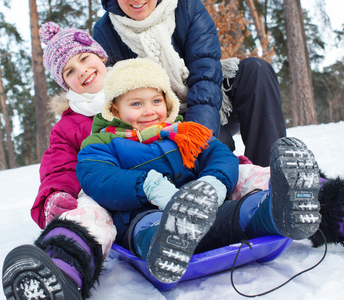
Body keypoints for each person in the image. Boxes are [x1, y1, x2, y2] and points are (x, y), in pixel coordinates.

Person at [76, 58, 322, 284]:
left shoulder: (184, 132)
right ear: (116, 111)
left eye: (156, 101)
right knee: (153, 227)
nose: (149, 111)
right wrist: (147, 185)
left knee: (239, 210)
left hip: (204, 207)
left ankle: (278, 209)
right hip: (144, 214)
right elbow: (97, 177)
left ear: (168, 102)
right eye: (136, 103)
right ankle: (165, 247)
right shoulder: (102, 142)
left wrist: (215, 182)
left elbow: (220, 154)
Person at [92, 0, 286, 167]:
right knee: (218, 146)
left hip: (211, 102)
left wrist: (198, 135)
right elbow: (116, 97)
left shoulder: (186, 6)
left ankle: (272, 171)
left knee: (256, 70)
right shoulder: (106, 31)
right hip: (158, 118)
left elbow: (205, 73)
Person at [2, 22, 117, 300]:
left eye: (84, 58)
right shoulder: (68, 127)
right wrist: (56, 195)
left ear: (100, 56)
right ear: (66, 84)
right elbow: (59, 167)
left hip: (158, 176)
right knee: (86, 215)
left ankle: (241, 212)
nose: (82, 71)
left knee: (227, 170)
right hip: (107, 197)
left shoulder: (138, 90)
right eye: (70, 71)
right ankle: (60, 273)